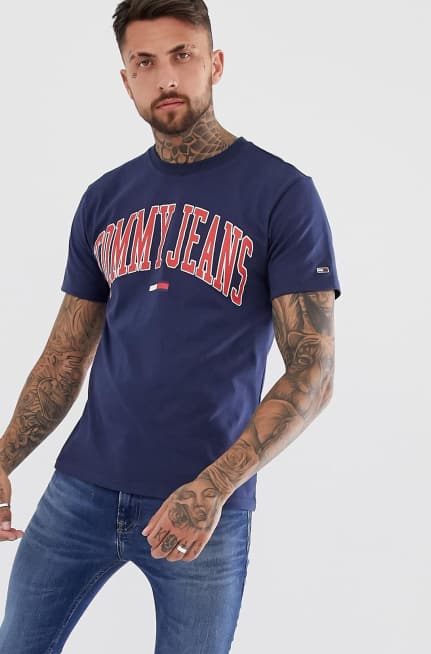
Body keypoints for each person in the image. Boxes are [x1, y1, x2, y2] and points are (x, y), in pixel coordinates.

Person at [0, 0, 341, 652]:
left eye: (182, 55)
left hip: (205, 504)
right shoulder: (105, 198)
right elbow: (65, 355)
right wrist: (3, 456)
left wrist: (212, 488)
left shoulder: (282, 193)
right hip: (80, 490)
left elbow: (313, 370)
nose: (166, 78)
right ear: (126, 80)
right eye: (145, 62)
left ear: (215, 64)